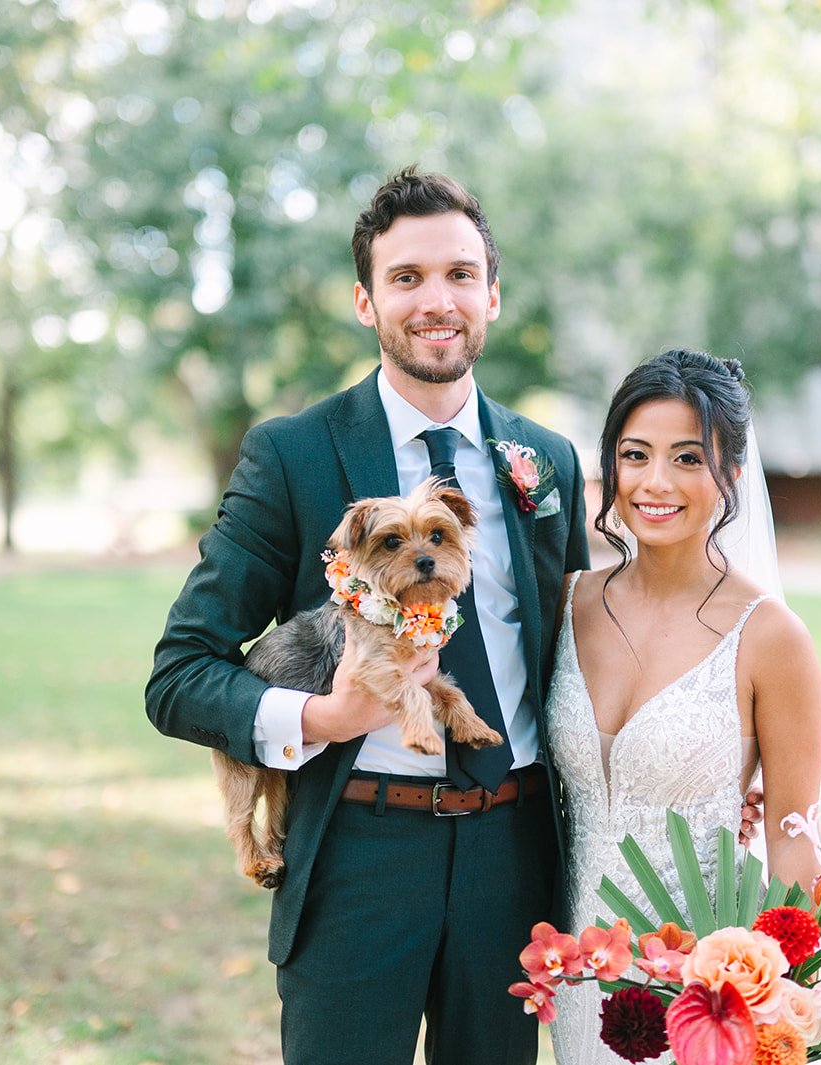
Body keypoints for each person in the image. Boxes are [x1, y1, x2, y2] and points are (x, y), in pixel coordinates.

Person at [145, 166, 590, 1065]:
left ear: (493, 295)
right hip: (356, 849)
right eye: (407, 277)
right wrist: (323, 716)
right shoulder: (291, 454)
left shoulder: (546, 461)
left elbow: (585, 648)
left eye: (461, 274)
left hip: (514, 854)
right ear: (365, 300)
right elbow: (180, 675)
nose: (437, 300)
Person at [544, 349, 821, 1063]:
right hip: (577, 966)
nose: (655, 482)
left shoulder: (770, 636)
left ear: (732, 472)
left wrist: (774, 995)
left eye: (687, 459)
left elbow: (796, 834)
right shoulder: (568, 602)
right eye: (634, 455)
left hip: (706, 986)